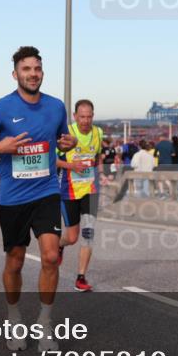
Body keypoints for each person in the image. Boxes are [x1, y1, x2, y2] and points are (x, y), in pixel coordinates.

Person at [0, 46, 75, 352]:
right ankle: (14, 319)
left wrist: (66, 143)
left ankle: (45, 325)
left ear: (42, 72)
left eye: (37, 68)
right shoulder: (1, 108)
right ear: (16, 74)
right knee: (14, 261)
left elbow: (63, 141)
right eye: (26, 69)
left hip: (46, 192)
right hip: (14, 197)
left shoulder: (56, 107)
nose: (33, 74)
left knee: (51, 257)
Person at [57, 99, 107, 292]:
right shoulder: (66, 134)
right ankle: (61, 245)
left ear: (93, 116)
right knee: (71, 237)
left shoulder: (98, 133)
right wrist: (71, 166)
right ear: (75, 116)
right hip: (69, 191)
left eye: (89, 116)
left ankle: (81, 277)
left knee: (88, 235)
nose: (86, 120)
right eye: (82, 116)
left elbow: (98, 156)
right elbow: (52, 160)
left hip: (90, 191)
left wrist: (101, 174)